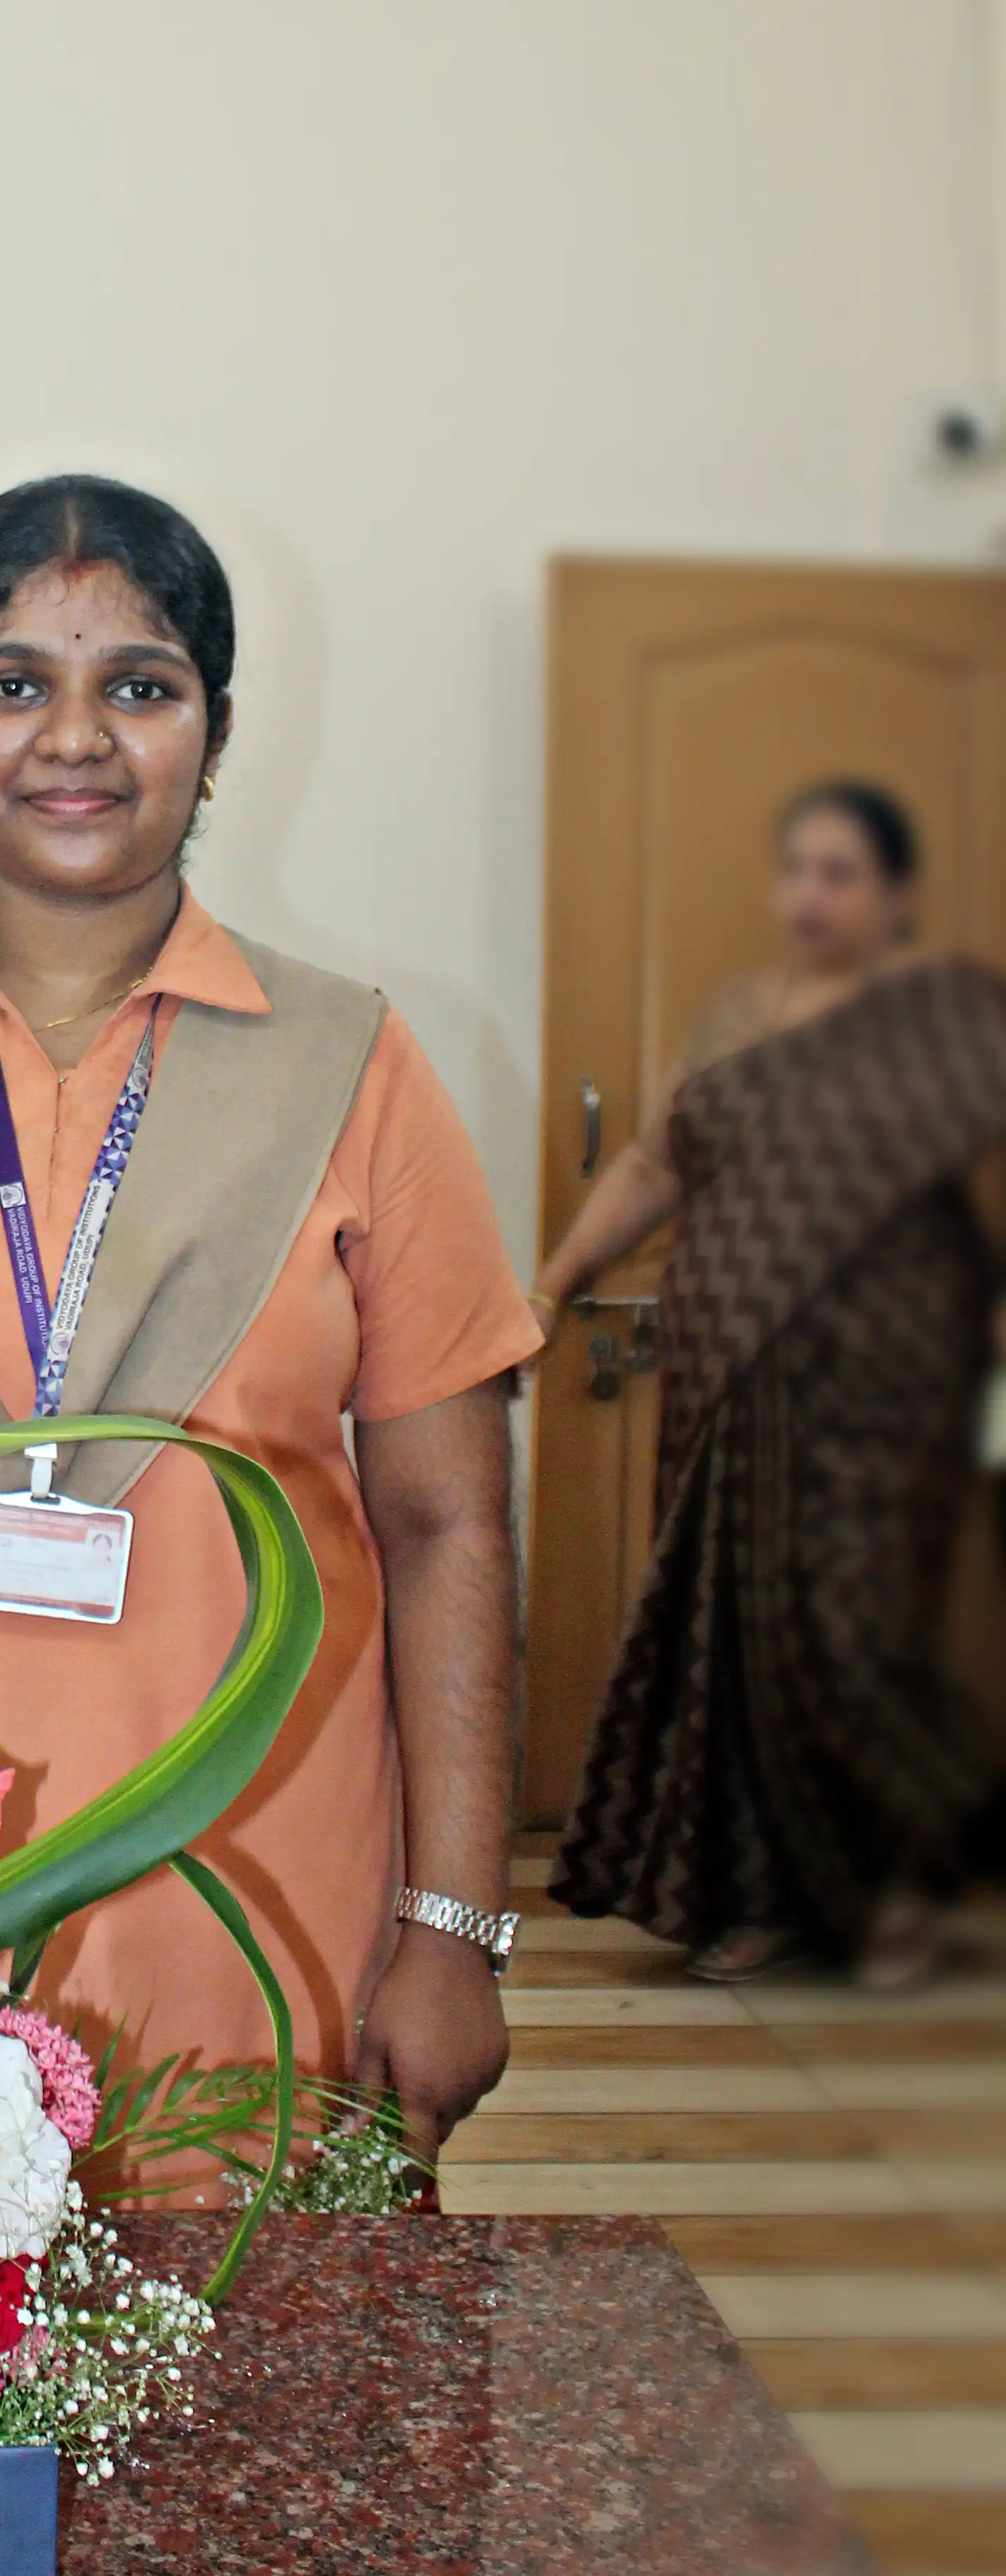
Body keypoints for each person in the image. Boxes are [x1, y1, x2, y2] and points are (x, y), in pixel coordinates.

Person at [0, 476, 538, 2163]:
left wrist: (456, 1927)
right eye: (10, 685)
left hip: (266, 1916)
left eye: (139, 685)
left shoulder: (352, 1059)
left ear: (215, 728)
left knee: (272, 2404)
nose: (76, 739)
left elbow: (448, 1523)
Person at [541, 780, 1006, 1990]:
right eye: (796, 868)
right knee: (731, 1640)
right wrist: (555, 1282)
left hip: (886, 1379)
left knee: (855, 1634)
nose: (810, 895)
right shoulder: (742, 1013)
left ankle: (892, 1888)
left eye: (840, 873)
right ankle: (754, 1901)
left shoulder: (946, 1019)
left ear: (897, 894)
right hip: (726, 1379)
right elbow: (654, 1163)